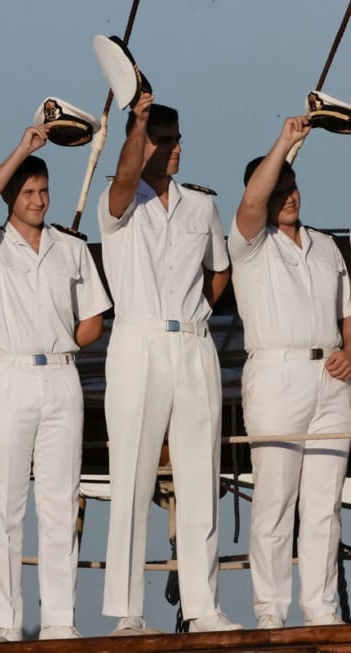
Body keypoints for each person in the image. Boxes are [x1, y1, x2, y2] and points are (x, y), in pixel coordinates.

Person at [97, 95, 240, 634]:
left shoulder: (201, 206)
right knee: (131, 477)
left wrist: (199, 308)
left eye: (179, 138)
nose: (178, 148)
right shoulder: (119, 202)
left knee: (200, 475)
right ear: (144, 145)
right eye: (167, 139)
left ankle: (204, 607)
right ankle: (127, 612)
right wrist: (136, 122)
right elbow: (124, 176)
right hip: (138, 340)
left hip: (193, 342)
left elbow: (219, 271)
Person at [0, 126, 111, 640]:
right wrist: (23, 150)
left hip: (61, 377)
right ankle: (7, 623)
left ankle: (59, 620)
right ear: (11, 196)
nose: (38, 200)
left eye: (43, 191)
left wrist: (60, 339)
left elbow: (93, 318)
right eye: (27, 192)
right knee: (5, 504)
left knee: (59, 501)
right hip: (8, 376)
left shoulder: (70, 248)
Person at [230, 115, 351, 628]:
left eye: (293, 187)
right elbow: (253, 202)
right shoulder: (250, 243)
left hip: (332, 378)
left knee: (325, 504)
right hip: (276, 375)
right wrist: (284, 142)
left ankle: (321, 609)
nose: (289, 196)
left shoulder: (325, 245)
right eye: (280, 188)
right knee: (276, 500)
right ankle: (270, 612)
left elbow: (349, 312)